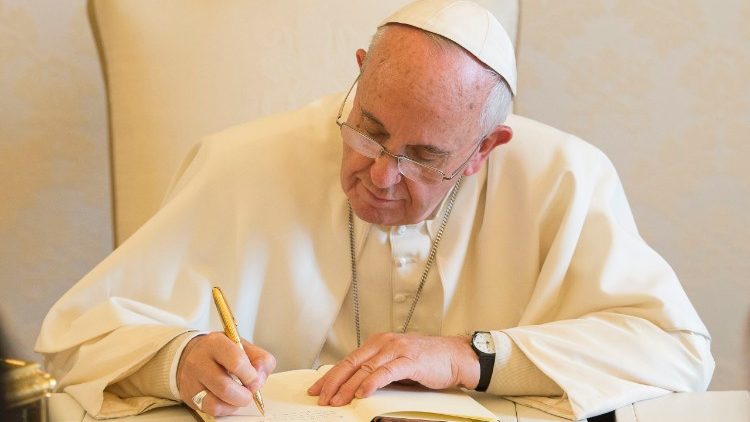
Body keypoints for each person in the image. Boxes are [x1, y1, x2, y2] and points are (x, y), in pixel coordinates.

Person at [35, 0, 714, 420]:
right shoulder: (242, 161)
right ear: (360, 74)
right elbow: (76, 338)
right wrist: (179, 358)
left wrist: (470, 358)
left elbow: (677, 349)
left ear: (484, 149)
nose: (381, 175)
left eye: (423, 157)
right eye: (369, 130)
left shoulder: (566, 178)